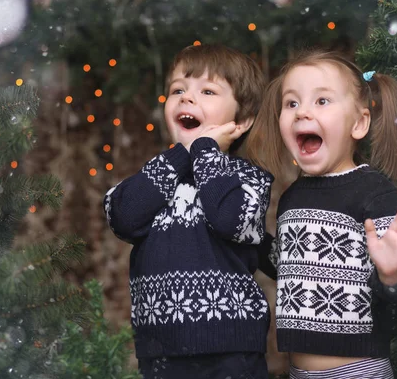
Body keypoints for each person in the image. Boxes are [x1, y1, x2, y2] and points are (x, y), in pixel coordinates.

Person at [246, 49, 397, 379]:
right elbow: (285, 265)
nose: (302, 112)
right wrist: (244, 236)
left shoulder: (374, 191)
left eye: (321, 101)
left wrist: (391, 273)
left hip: (358, 370)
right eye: (291, 103)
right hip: (298, 371)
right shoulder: (291, 196)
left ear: (359, 123)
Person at [103, 44, 273, 379]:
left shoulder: (248, 178)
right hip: (162, 349)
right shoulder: (160, 174)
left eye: (207, 91)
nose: (186, 98)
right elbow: (122, 215)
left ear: (241, 121)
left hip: (231, 346)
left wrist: (205, 150)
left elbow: (230, 220)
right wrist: (182, 155)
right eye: (177, 89)